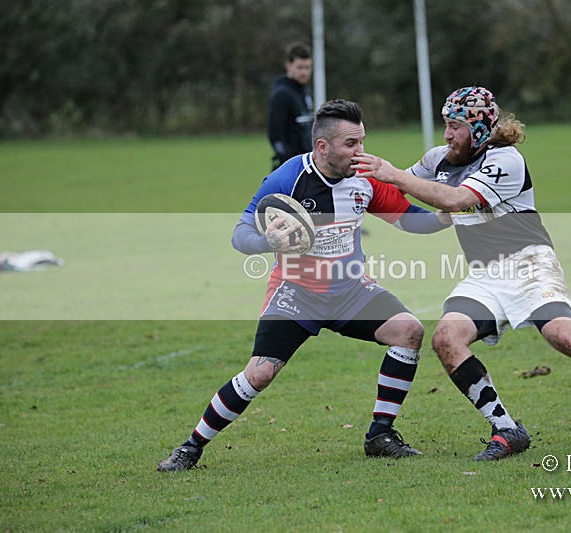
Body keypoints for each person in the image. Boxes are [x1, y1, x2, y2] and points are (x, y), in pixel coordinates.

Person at [354, 86, 571, 461]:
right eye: (446, 124)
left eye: (456, 126)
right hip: (485, 274)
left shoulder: (506, 159)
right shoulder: (438, 159)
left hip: (530, 265)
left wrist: (394, 174)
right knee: (446, 338)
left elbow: (456, 200)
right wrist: (343, 180)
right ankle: (507, 430)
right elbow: (396, 190)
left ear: (479, 129)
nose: (448, 134)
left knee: (566, 338)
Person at [157, 99, 449, 471]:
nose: (360, 152)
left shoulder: (365, 177)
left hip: (350, 290)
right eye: (350, 144)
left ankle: (380, 434)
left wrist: (449, 213)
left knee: (408, 331)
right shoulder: (288, 177)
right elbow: (240, 234)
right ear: (322, 147)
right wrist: (267, 242)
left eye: (362, 141)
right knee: (260, 373)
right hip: (297, 294)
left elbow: (410, 220)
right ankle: (190, 447)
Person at [268, 42, 314, 171]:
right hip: (291, 167)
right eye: (300, 67)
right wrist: (287, 162)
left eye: (307, 67)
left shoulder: (305, 91)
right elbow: (275, 135)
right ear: (288, 66)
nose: (304, 72)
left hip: (307, 164)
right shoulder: (282, 94)